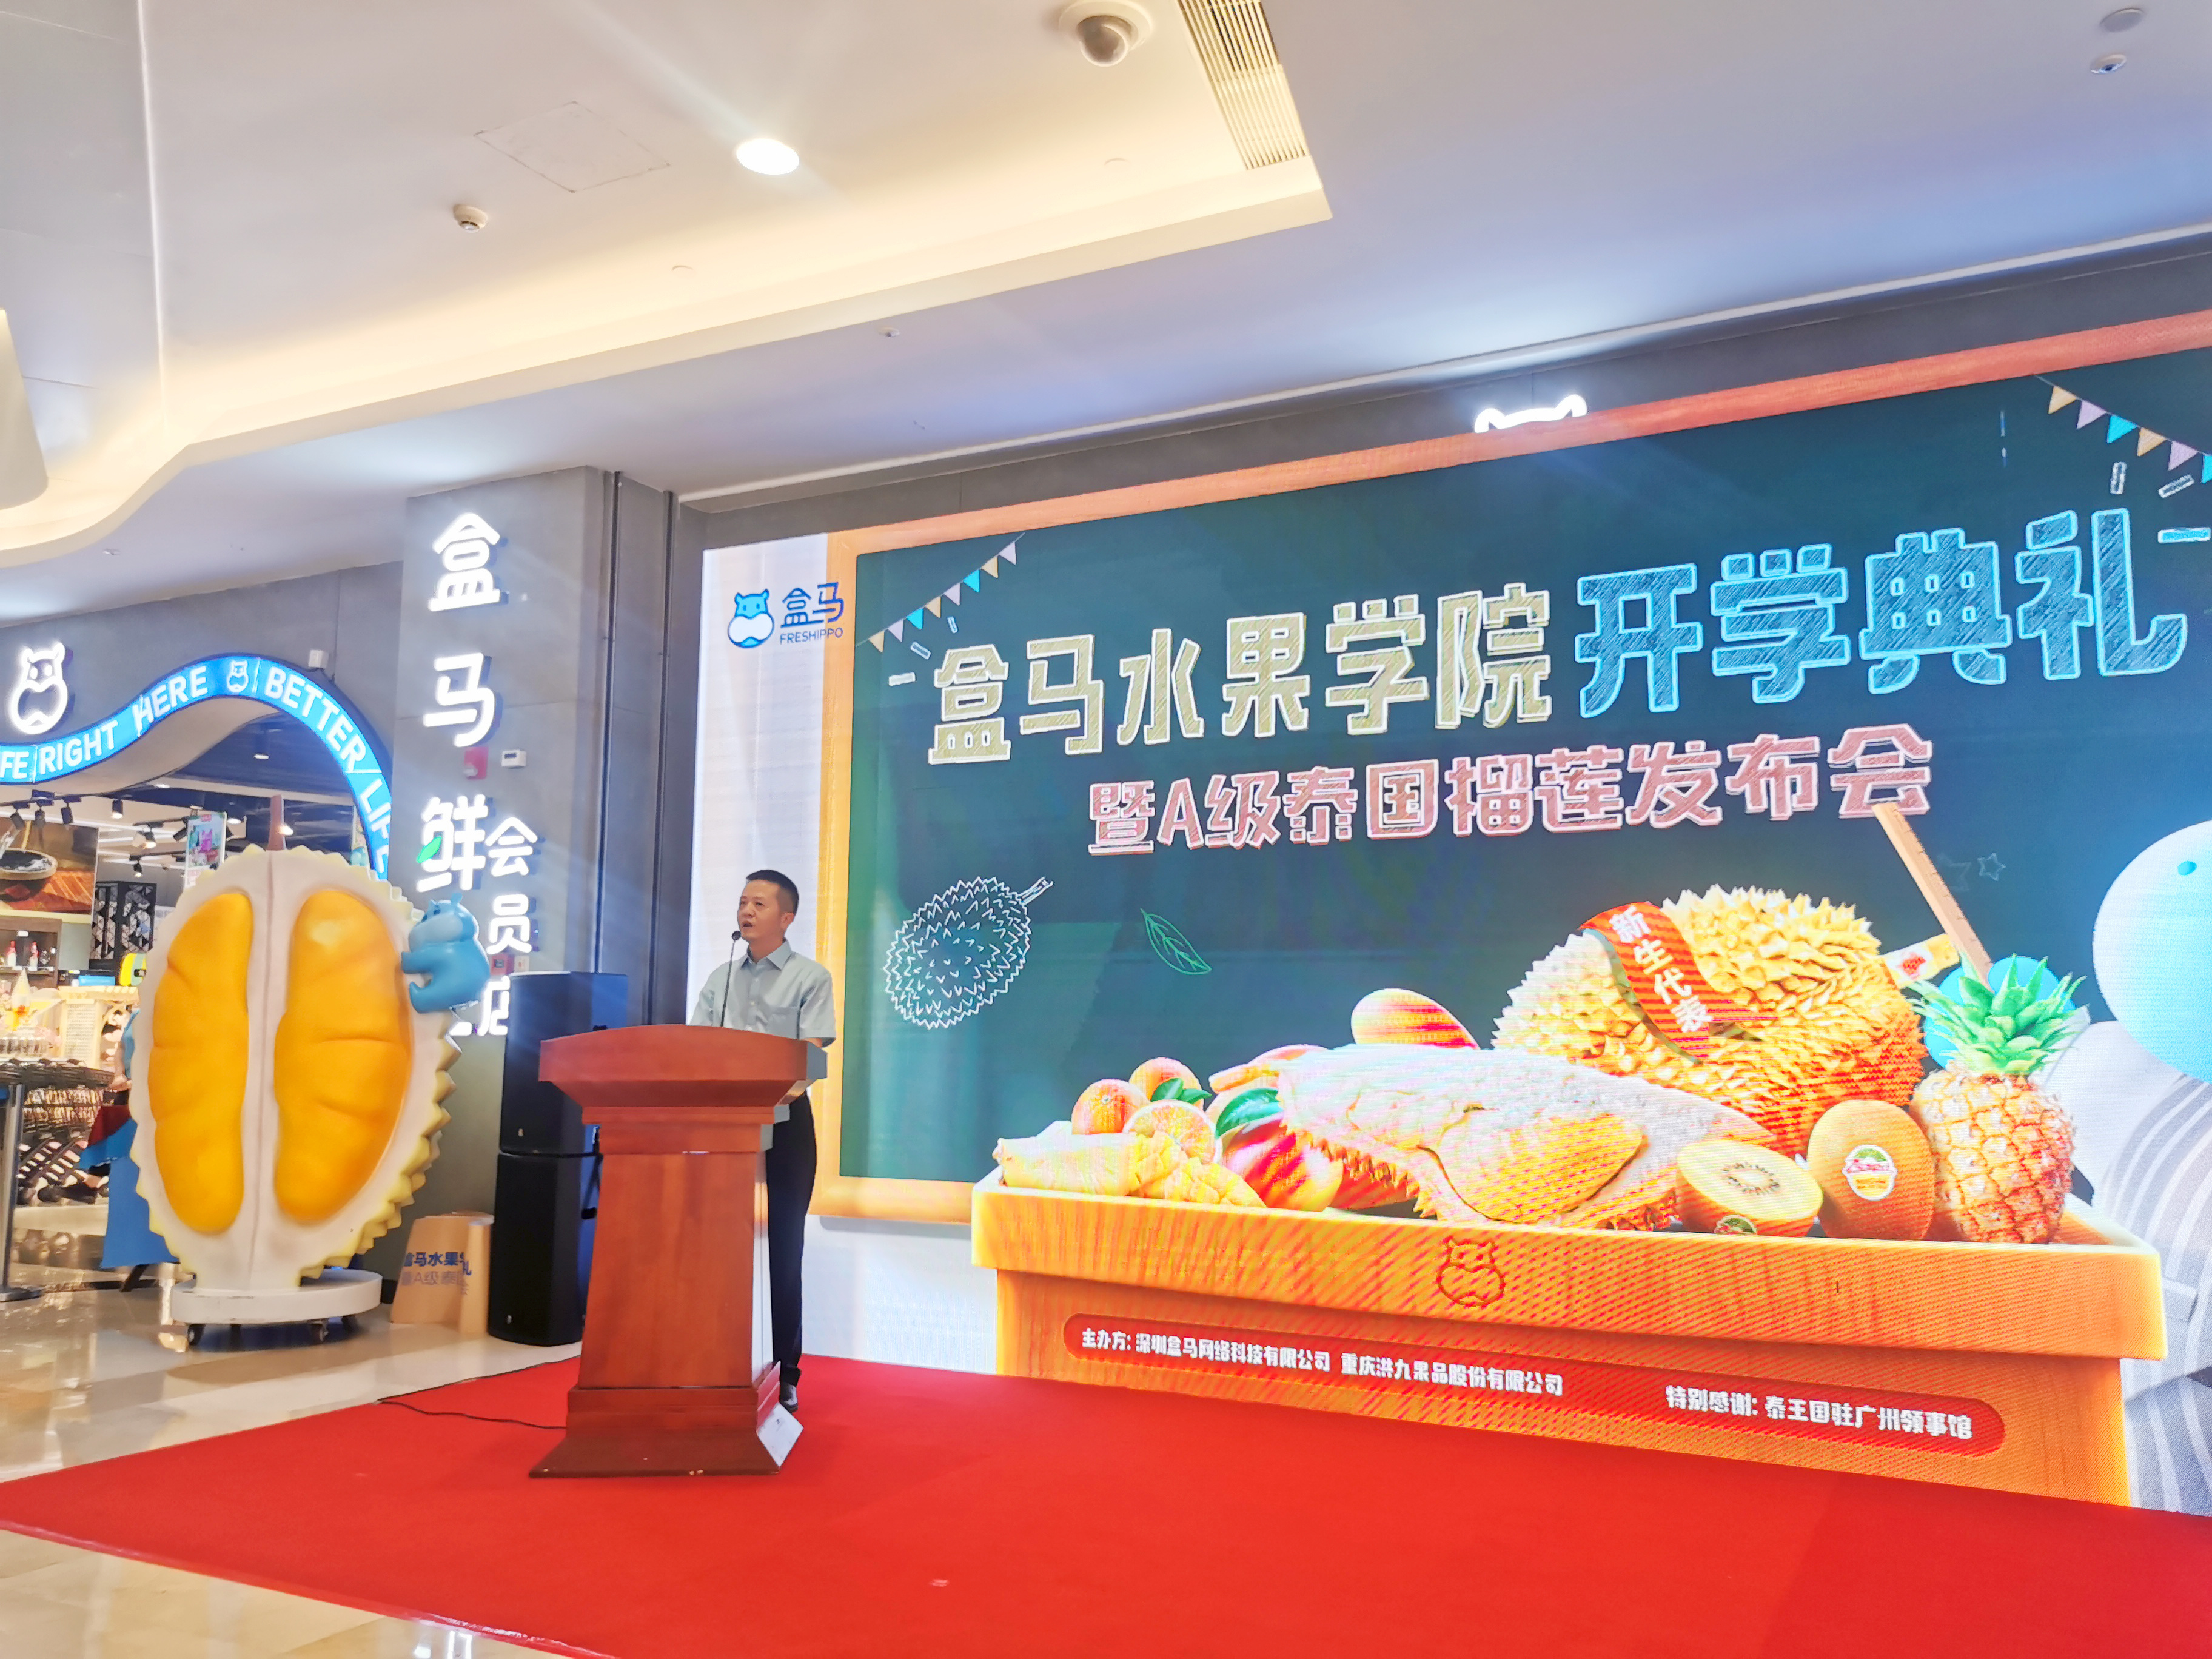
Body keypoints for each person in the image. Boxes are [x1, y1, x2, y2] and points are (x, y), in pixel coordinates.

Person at [689, 869, 834, 1415]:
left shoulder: (810, 977)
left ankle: (785, 1373)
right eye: (742, 902)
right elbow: (694, 1047)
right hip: (723, 1130)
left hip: (786, 1127)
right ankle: (719, 1360)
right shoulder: (721, 978)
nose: (746, 912)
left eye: (759, 904)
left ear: (786, 917)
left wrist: (765, 1098)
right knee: (721, 1248)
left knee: (782, 1251)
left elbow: (812, 1054)